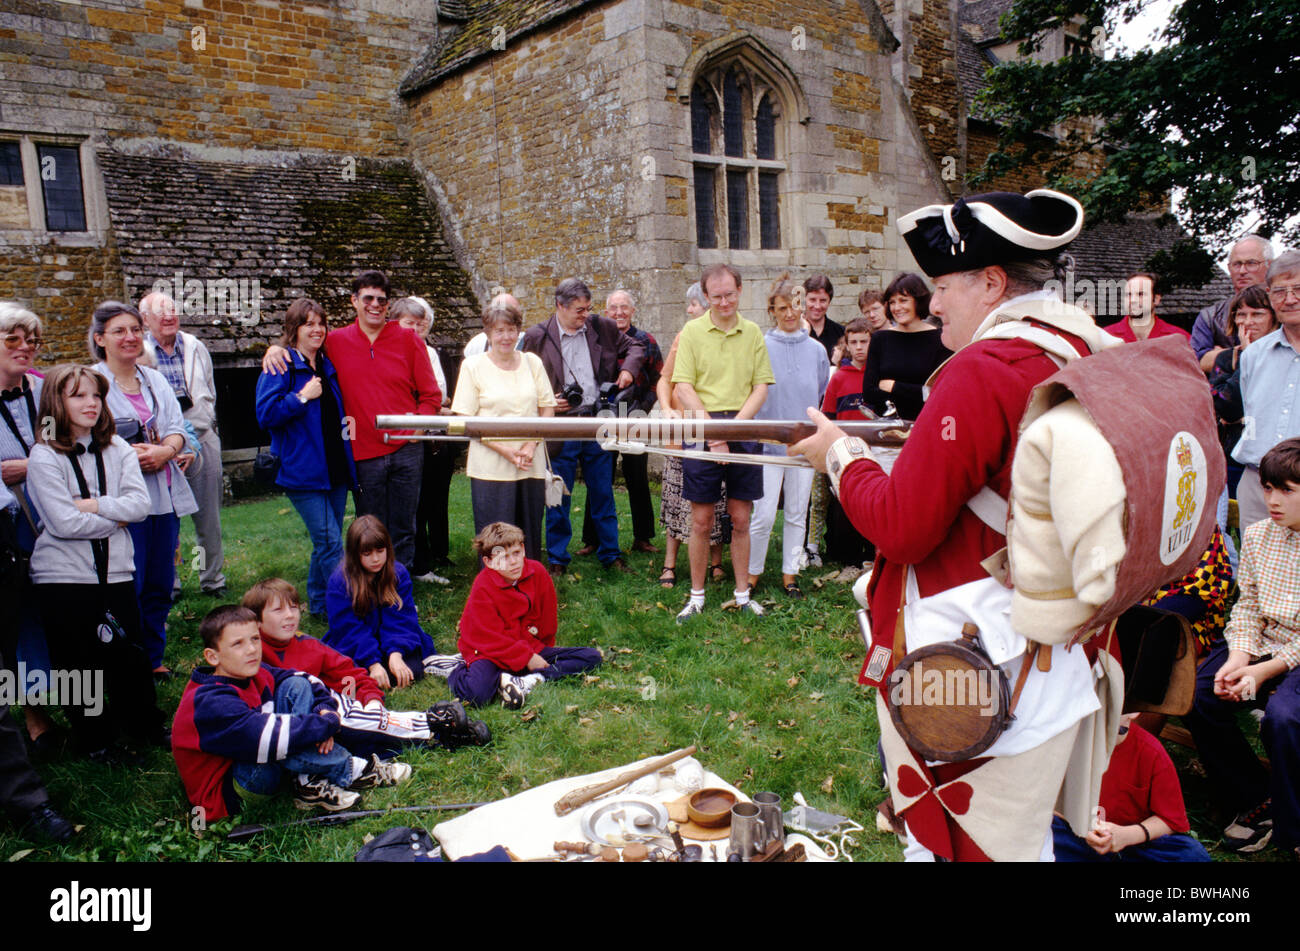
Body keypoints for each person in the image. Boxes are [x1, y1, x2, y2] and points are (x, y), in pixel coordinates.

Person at [793, 188, 1120, 861]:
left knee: (954, 846)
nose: (933, 302)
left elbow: (903, 529)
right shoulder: (1075, 349)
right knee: (1019, 845)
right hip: (1048, 655)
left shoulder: (984, 367)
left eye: (944, 286)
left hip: (979, 660)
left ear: (993, 282)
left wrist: (840, 455)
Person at [26, 364, 167, 761]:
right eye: (78, 395)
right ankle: (95, 739)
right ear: (57, 401)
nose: (90, 403)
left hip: (117, 570)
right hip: (64, 577)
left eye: (96, 395)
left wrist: (93, 505)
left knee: (128, 652)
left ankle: (143, 723)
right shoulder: (43, 456)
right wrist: (115, 515)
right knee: (78, 662)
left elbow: (141, 505)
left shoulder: (118, 448)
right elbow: (63, 522)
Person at [261, 270, 442, 572]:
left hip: (406, 449)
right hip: (362, 451)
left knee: (404, 524)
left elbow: (431, 394)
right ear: (354, 301)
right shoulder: (335, 341)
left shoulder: (409, 340)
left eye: (381, 300)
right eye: (367, 298)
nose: (375, 305)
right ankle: (371, 585)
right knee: (370, 528)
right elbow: (304, 345)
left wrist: (419, 428)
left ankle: (401, 584)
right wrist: (276, 348)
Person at [172, 604, 411, 820]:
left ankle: (308, 783)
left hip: (255, 752)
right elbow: (269, 739)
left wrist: (325, 709)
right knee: (282, 742)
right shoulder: (210, 702)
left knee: (295, 687)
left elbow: (304, 678)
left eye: (255, 639)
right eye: (238, 644)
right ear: (212, 656)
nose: (252, 649)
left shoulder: (251, 672)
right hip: (232, 789)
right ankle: (354, 769)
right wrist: (323, 727)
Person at [1183, 437, 1300, 856]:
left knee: (1284, 718)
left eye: (1286, 490)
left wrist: (1264, 671)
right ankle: (1257, 797)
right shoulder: (1258, 536)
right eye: (1268, 488)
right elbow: (1247, 606)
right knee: (1199, 694)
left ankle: (1294, 823)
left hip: (1297, 654)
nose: (1272, 499)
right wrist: (1238, 659)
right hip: (1263, 644)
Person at [244, 578, 489, 755]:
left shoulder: (309, 645)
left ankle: (439, 734)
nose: (289, 615)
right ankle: (433, 724)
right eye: (278, 610)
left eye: (294, 607)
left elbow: (348, 671)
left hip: (335, 715)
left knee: (366, 729)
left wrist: (371, 698)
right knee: (352, 724)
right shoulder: (252, 654)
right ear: (255, 620)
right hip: (303, 723)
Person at [89, 301, 197, 680]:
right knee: (125, 586)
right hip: (122, 504)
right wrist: (129, 454)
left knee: (159, 584)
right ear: (100, 339)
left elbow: (176, 428)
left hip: (162, 498)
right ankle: (125, 661)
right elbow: (84, 441)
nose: (130, 337)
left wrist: (165, 450)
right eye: (119, 331)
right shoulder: (90, 385)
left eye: (135, 329)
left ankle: (153, 658)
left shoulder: (156, 380)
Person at [672, 264, 775, 622]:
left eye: (729, 294)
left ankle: (742, 595)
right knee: (700, 520)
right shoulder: (692, 331)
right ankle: (697, 597)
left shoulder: (753, 332)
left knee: (741, 518)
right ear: (706, 296)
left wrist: (734, 429)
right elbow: (683, 387)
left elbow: (761, 386)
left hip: (743, 425)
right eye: (716, 297)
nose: (724, 302)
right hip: (702, 424)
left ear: (740, 290)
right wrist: (715, 435)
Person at [520, 278, 644, 574]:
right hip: (559, 426)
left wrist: (627, 369)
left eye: (588, 309)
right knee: (556, 494)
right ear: (559, 306)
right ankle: (557, 559)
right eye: (578, 310)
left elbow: (638, 347)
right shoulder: (537, 336)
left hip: (596, 422)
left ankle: (610, 555)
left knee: (603, 492)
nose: (585, 315)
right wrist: (547, 401)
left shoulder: (602, 326)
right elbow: (523, 377)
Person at [254, 298, 356, 617]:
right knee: (330, 542)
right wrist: (301, 397)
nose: (316, 329)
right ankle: (350, 607)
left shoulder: (326, 364)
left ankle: (320, 602)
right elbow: (265, 415)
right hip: (302, 473)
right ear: (293, 329)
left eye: (320, 323)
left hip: (335, 468)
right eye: (308, 323)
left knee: (326, 540)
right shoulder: (281, 365)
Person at [449, 522, 603, 709]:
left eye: (516, 553)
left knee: (591, 657)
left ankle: (530, 680)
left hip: (529, 645)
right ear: (489, 562)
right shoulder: (483, 586)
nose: (513, 562)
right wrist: (526, 658)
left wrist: (540, 653)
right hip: (489, 651)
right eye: (503, 557)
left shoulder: (537, 572)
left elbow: (547, 620)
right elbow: (488, 637)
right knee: (478, 696)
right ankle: (457, 667)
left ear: (523, 549)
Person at [450, 299, 556, 562]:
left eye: (511, 329)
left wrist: (530, 446)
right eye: (499, 330)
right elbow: (466, 419)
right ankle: (494, 589)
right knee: (494, 535)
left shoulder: (533, 362)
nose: (506, 337)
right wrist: (506, 450)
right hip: (491, 465)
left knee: (528, 532)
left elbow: (547, 409)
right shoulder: (473, 366)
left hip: (529, 462)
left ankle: (528, 585)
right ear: (488, 333)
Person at [747, 274, 829, 599]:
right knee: (764, 513)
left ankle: (790, 573)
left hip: (804, 445)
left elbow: (820, 390)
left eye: (795, 306)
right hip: (769, 444)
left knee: (797, 511)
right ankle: (752, 573)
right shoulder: (761, 347)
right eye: (782, 308)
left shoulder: (817, 350)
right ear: (773, 310)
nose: (790, 314)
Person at [139, 291, 227, 595]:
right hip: (160, 447)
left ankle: (212, 580)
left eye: (173, 310)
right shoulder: (140, 350)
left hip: (202, 437)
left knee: (208, 519)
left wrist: (203, 432)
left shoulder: (195, 346)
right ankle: (170, 584)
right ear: (145, 319)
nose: (169, 316)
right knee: (167, 520)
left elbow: (209, 391)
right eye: (160, 312)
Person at [0, 302, 56, 748]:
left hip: (52, 515)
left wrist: (33, 463)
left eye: (31, 340)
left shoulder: (43, 390)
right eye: (12, 339)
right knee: (21, 615)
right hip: (8, 524)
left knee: (58, 605)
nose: (25, 348)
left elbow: (62, 445)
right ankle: (36, 715)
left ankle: (78, 701)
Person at [1051, 713, 1211, 862]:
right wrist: (1082, 827)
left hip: (1135, 842)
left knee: (1191, 854)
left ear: (1133, 713)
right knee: (1046, 834)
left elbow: (1170, 820)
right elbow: (1043, 801)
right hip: (1077, 834)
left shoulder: (1151, 751)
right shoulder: (1065, 742)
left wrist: (1128, 835)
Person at [656, 283, 731, 589]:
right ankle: (670, 564)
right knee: (676, 496)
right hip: (682, 431)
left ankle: (716, 562)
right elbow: (665, 380)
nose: (689, 310)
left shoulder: (729, 339)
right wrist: (666, 408)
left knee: (716, 498)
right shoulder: (683, 337)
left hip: (715, 430)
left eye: (694, 305)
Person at [578, 289, 662, 555]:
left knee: (637, 475)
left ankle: (643, 537)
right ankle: (592, 540)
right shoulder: (598, 340)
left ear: (633, 311)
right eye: (614, 308)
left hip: (634, 413)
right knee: (599, 475)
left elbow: (658, 377)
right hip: (603, 415)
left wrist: (645, 407)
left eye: (624, 307)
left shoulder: (646, 340)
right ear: (606, 311)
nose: (619, 313)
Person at [325, 515, 437, 690]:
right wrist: (372, 663)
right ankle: (373, 671)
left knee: (413, 670)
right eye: (367, 554)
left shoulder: (397, 574)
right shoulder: (340, 582)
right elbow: (347, 629)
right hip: (357, 643)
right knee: (350, 676)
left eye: (380, 551)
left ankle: (388, 663)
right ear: (355, 554)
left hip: (392, 636)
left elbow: (401, 619)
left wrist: (396, 654)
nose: (376, 559)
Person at [1230, 250, 1300, 529]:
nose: (1290, 298)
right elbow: (1251, 412)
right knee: (1256, 569)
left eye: (1298, 289)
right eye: (1281, 291)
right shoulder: (1253, 355)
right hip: (1257, 485)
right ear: (1270, 296)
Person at [392, 296, 456, 585]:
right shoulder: (387, 350)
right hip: (397, 436)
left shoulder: (429, 353)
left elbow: (441, 395)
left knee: (430, 500)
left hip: (430, 436)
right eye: (409, 324)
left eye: (421, 325)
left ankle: (427, 559)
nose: (416, 329)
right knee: (408, 507)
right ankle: (409, 566)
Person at [819, 317, 876, 567]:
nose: (860, 347)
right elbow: (828, 417)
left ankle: (872, 556)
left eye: (864, 341)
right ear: (847, 345)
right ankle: (848, 559)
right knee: (846, 506)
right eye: (854, 342)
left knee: (874, 503)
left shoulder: (879, 375)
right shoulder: (839, 378)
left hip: (875, 451)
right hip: (846, 452)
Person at [861, 272, 951, 420]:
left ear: (918, 301)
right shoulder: (880, 339)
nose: (897, 307)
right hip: (887, 428)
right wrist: (917, 392)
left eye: (903, 300)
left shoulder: (941, 339)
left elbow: (940, 394)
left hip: (926, 423)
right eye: (892, 302)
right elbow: (869, 393)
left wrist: (894, 386)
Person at [1192, 234, 1274, 373]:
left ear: (1269, 265)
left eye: (1251, 263)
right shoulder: (1210, 317)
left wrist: (1223, 356)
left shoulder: (1284, 309)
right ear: (1229, 268)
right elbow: (1195, 362)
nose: (1242, 271)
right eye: (1237, 264)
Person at [1104, 272, 1191, 343]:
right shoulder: (1106, 337)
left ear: (1156, 299)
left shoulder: (1180, 339)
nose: (1133, 300)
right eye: (1128, 294)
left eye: (1140, 294)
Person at [803, 274, 843, 360]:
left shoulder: (841, 333)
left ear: (829, 302)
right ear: (804, 299)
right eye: (812, 300)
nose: (817, 306)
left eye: (823, 300)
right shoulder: (794, 332)